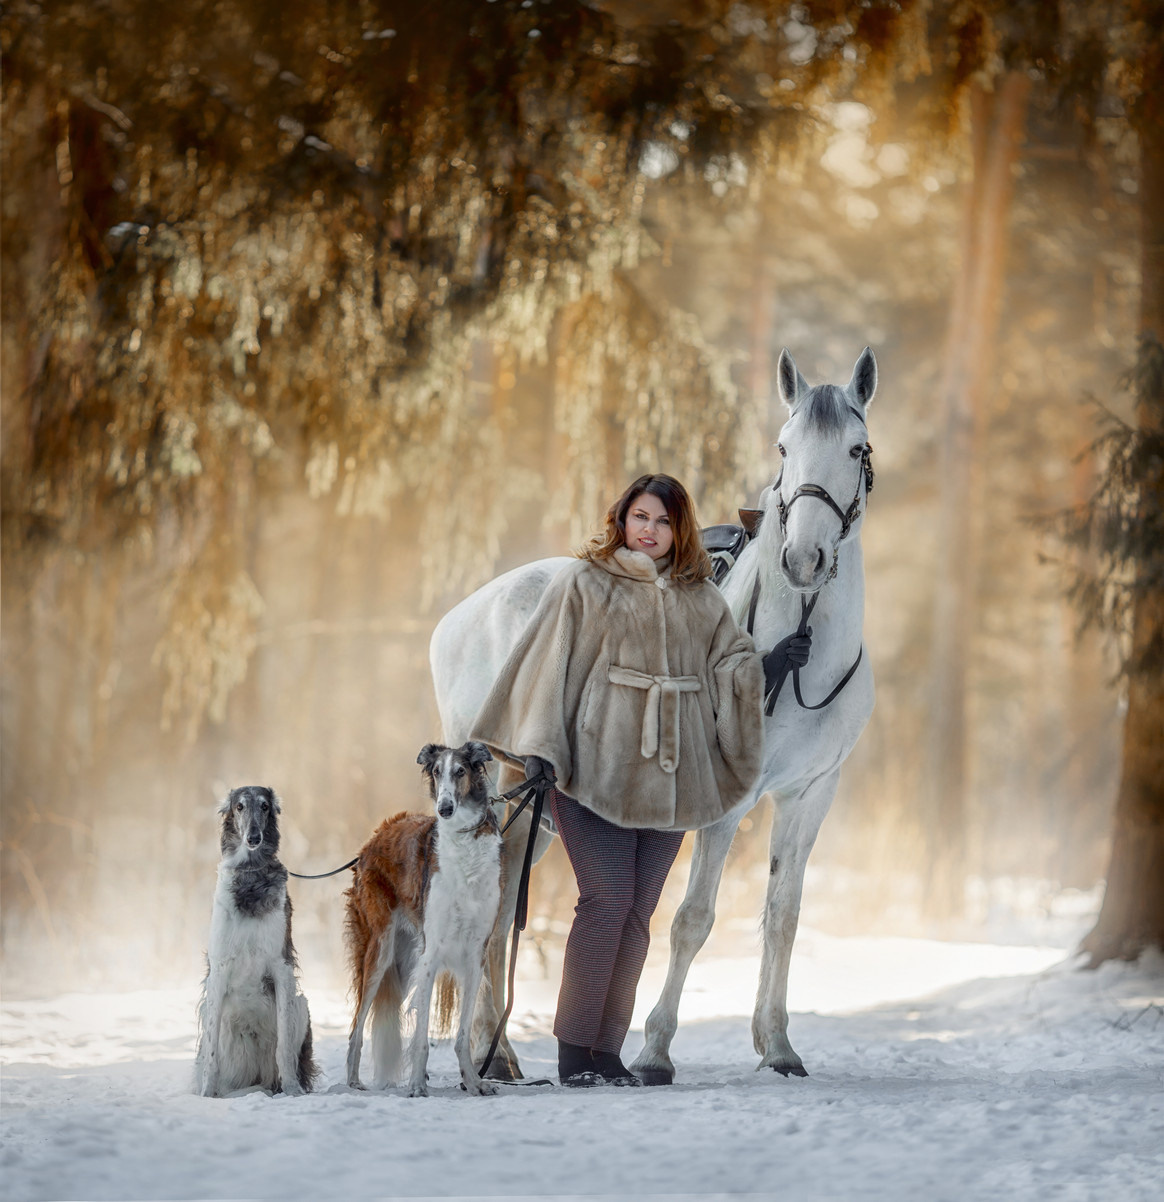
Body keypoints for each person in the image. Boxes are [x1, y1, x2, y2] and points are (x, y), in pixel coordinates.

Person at [472, 473, 785, 1087]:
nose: (650, 530)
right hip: (596, 768)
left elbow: (729, 665)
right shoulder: (584, 583)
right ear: (622, 519)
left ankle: (606, 1051)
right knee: (606, 900)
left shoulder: (702, 598)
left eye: (664, 521)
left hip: (672, 776)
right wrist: (539, 748)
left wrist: (766, 666)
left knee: (639, 912)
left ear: (680, 530)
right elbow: (546, 666)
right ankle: (573, 1052)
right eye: (641, 516)